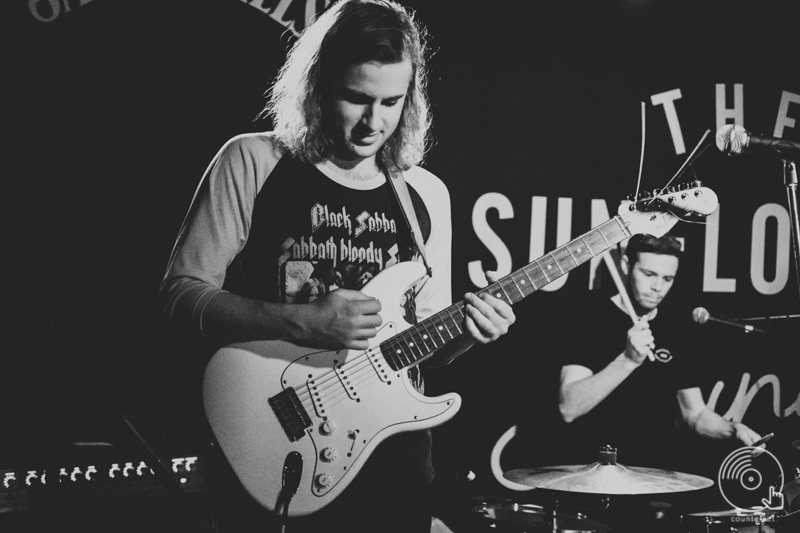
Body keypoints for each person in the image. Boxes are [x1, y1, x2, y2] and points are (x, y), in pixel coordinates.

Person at [159, 1, 515, 532]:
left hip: (395, 471)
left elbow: (429, 345)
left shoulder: (424, 193)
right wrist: (302, 320)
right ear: (319, 85)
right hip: (277, 446)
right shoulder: (255, 161)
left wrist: (470, 332)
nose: (375, 122)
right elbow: (180, 296)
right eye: (357, 98)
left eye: (392, 102)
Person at [557, 233, 760, 470]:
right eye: (649, 274)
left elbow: (694, 414)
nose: (657, 288)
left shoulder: (676, 328)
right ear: (626, 265)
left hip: (651, 473)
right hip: (589, 469)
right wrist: (628, 360)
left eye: (668, 279)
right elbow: (569, 408)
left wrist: (733, 430)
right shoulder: (590, 318)